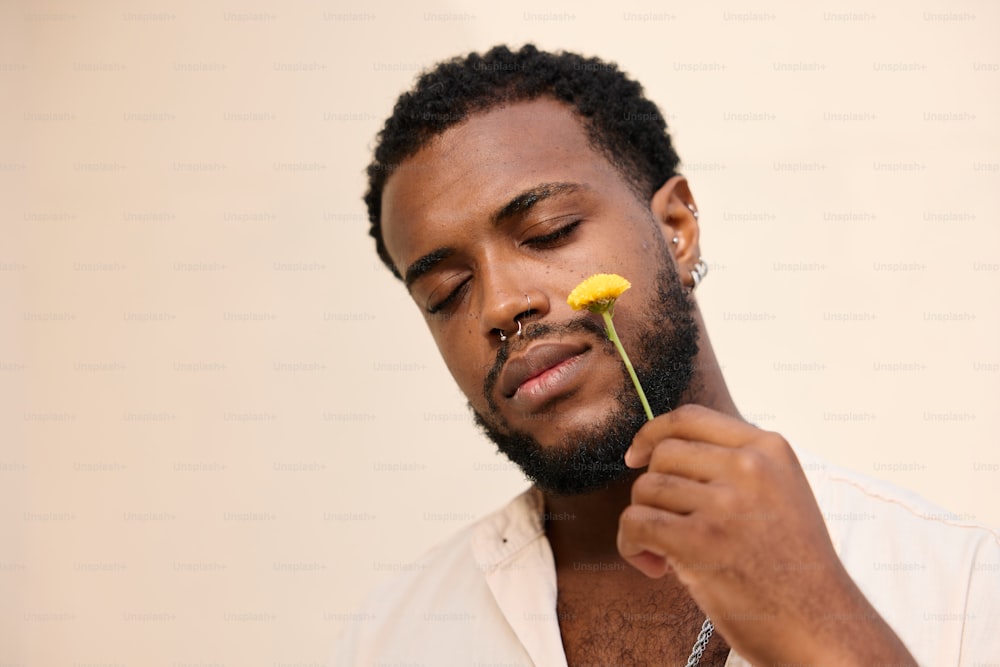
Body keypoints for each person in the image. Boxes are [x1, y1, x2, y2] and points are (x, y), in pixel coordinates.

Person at [337, 44, 999, 666]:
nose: (500, 306)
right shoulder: (394, 636)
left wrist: (823, 626)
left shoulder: (960, 586)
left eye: (548, 232)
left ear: (676, 229)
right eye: (446, 292)